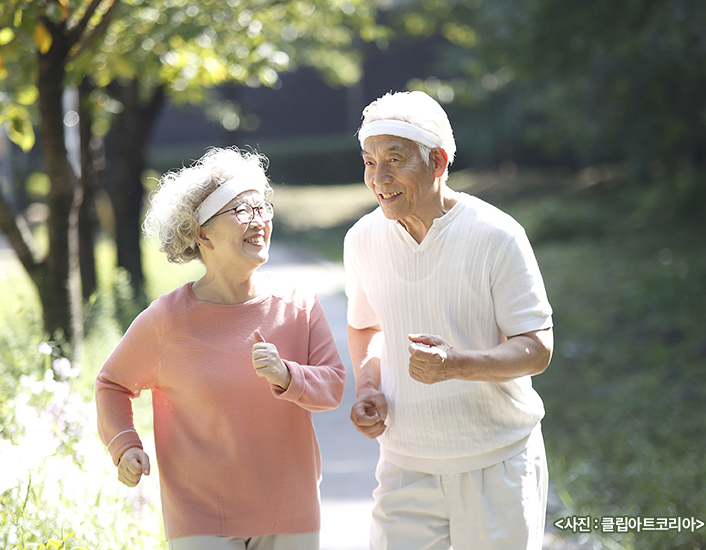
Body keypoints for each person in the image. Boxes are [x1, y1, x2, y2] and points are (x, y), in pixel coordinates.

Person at [96, 147, 346, 550]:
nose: (259, 219)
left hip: (290, 505)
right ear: (202, 234)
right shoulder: (166, 320)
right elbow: (112, 383)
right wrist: (124, 444)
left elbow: (333, 386)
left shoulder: (298, 303)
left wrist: (287, 376)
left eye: (262, 207)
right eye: (241, 211)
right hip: (199, 513)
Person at [344, 91, 554, 550]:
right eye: (368, 162)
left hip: (497, 463)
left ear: (437, 162)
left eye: (394, 160)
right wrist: (368, 386)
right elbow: (366, 327)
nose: (378, 178)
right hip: (406, 464)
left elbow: (537, 347)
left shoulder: (497, 235)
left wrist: (456, 363)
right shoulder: (362, 240)